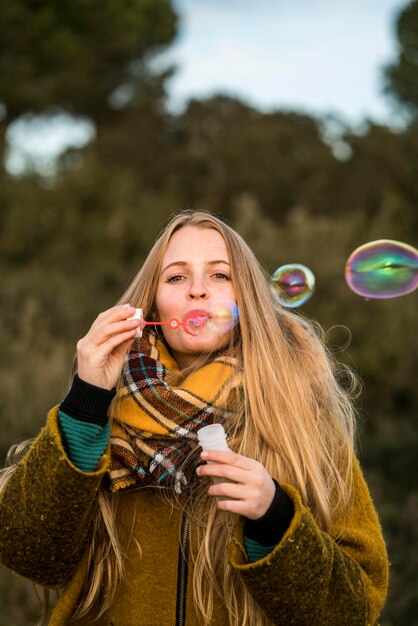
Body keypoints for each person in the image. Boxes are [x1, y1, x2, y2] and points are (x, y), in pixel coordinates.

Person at [0, 210, 388, 626]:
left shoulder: (298, 420)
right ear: (151, 301)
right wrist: (85, 399)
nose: (197, 291)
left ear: (247, 299)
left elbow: (353, 612)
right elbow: (30, 552)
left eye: (220, 276)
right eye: (176, 277)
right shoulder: (103, 407)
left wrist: (275, 516)